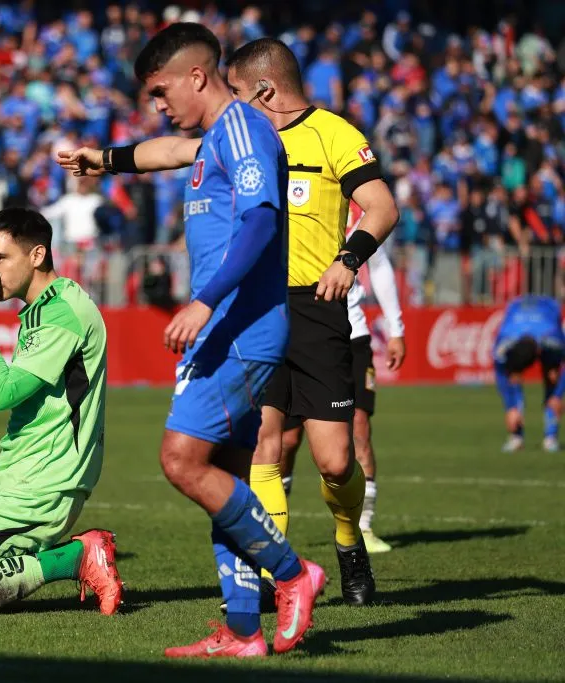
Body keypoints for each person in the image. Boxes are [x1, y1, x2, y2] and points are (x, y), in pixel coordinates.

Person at [57, 23, 325, 658]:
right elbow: (163, 153)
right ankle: (241, 631)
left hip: (238, 325)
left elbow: (261, 218)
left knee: (180, 460)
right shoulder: (214, 139)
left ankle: (292, 575)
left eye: (159, 91)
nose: (157, 105)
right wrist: (107, 159)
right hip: (231, 326)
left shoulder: (241, 128)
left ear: (197, 76)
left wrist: (204, 302)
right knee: (222, 474)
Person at [225, 38, 399, 605]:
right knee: (265, 449)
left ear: (264, 89)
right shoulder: (240, 136)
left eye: (236, 92)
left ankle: (349, 544)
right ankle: (282, 577)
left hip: (317, 312)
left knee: (335, 459)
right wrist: (110, 159)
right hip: (257, 309)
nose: (230, 105)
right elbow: (176, 150)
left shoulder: (334, 133)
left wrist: (348, 260)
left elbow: (383, 207)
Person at [0, 207, 123, 617]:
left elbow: (2, 394)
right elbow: (29, 418)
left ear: (37, 255)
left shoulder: (61, 313)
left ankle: (76, 557)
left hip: (44, 486)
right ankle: (62, 554)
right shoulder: (43, 308)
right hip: (19, 477)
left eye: (0, 259)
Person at [279, 202, 407, 555]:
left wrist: (395, 328)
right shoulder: (291, 202)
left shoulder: (362, 211)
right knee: (286, 441)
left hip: (352, 337)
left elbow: (379, 266)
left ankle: (361, 528)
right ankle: (276, 529)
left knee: (359, 431)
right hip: (299, 332)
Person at [494, 295, 565, 454]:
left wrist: (557, 396)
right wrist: (510, 407)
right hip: (517, 309)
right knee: (512, 380)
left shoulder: (553, 340)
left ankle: (550, 438)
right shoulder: (503, 341)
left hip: (548, 311)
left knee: (552, 375)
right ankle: (516, 437)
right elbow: (500, 372)